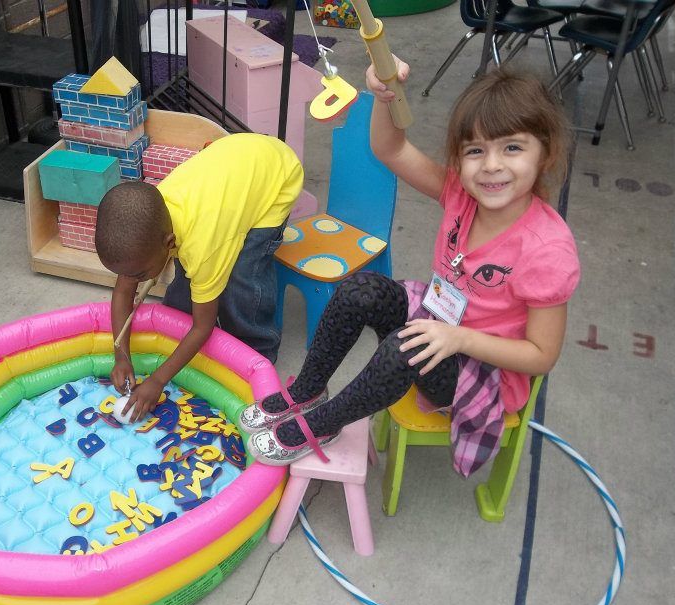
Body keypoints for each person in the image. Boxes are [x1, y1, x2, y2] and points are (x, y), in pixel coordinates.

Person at [242, 59, 580, 475]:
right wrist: (385, 96)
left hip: (482, 365)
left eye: (512, 147)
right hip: (439, 318)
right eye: (476, 151)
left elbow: (541, 356)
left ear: (545, 151)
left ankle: (322, 425)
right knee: (361, 289)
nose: (491, 165)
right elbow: (391, 149)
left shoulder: (547, 250)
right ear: (459, 158)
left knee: (403, 349)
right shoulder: (462, 193)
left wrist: (458, 340)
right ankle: (308, 392)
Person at [95, 133, 304, 421]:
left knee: (243, 274)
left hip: (276, 177)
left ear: (169, 243)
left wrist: (157, 380)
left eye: (139, 274)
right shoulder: (149, 226)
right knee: (195, 281)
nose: (131, 279)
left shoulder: (202, 248)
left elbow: (202, 327)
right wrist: (122, 355)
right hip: (235, 162)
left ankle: (260, 353)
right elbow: (123, 292)